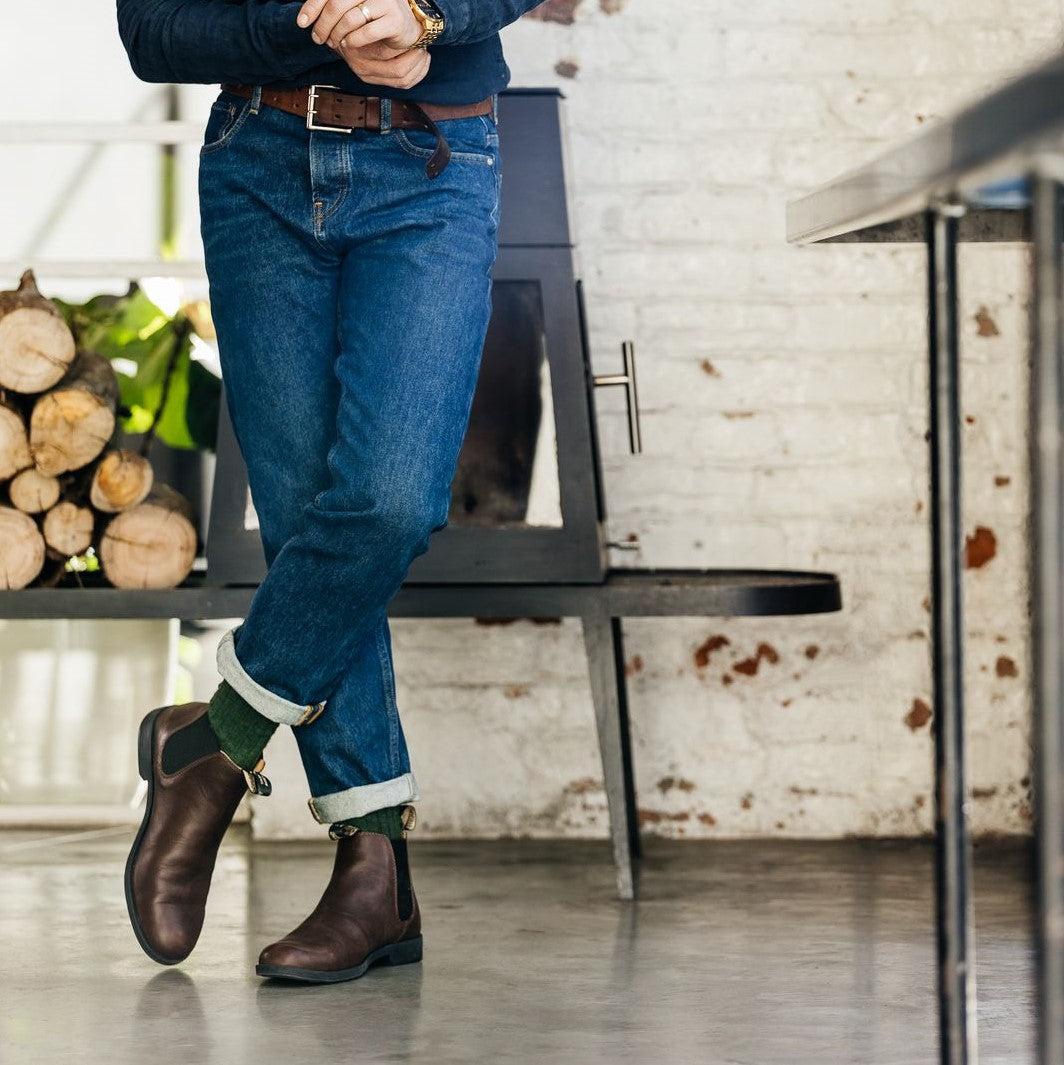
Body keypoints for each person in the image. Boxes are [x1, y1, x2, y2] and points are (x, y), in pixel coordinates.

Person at [116, 0, 547, 984]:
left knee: (388, 502)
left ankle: (217, 738)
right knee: (309, 524)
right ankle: (374, 875)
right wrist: (324, 32)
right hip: (255, 162)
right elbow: (152, 31)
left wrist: (422, 14)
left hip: (436, 162)